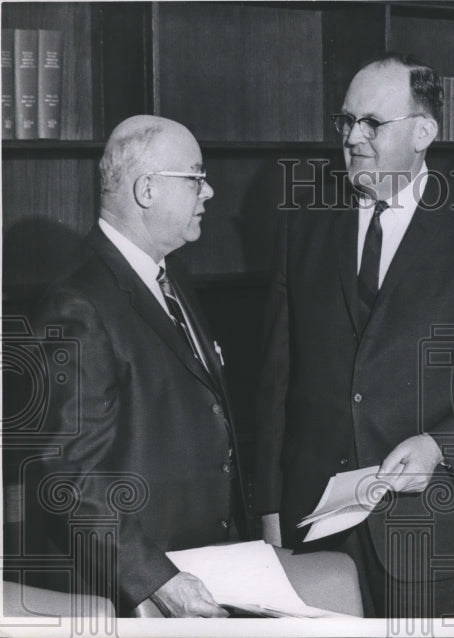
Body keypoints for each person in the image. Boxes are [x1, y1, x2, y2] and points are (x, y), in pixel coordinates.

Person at [255, 53, 454, 617]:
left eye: (372, 123)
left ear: (424, 132)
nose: (353, 137)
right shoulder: (305, 220)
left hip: (438, 530)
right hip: (317, 527)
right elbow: (276, 379)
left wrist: (441, 446)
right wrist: (268, 508)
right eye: (346, 122)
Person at [23, 115, 246, 617]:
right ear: (147, 189)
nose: (208, 191)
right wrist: (155, 581)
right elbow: (69, 473)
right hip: (137, 596)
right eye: (195, 177)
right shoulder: (77, 303)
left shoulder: (169, 279)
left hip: (203, 573)